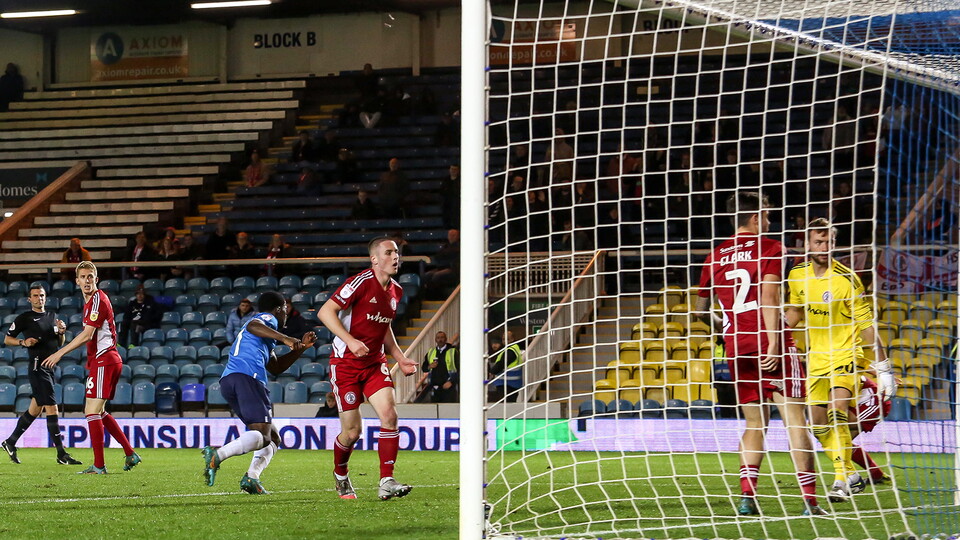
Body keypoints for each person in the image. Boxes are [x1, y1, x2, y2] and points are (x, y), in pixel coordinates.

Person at [695, 191, 825, 516]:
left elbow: (699, 311)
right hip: (771, 343)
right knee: (795, 420)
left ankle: (746, 498)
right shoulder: (770, 247)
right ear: (756, 217)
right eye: (766, 215)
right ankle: (810, 501)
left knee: (755, 424)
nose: (768, 221)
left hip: (736, 346)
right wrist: (773, 344)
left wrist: (726, 329)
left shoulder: (714, 255)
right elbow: (769, 296)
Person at [785, 217, 896, 502]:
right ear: (807, 244)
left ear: (835, 244)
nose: (823, 247)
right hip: (817, 358)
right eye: (818, 242)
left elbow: (867, 326)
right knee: (818, 426)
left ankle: (839, 482)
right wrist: (773, 326)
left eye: (828, 242)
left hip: (846, 354)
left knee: (837, 413)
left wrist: (884, 369)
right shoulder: (797, 275)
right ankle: (850, 473)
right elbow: (796, 312)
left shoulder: (847, 279)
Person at [318, 237, 418, 500]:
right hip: (346, 365)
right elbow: (325, 312)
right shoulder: (360, 282)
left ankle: (386, 481)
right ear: (374, 259)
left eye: (397, 252)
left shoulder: (396, 291)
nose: (395, 257)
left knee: (390, 416)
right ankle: (340, 475)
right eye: (389, 252)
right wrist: (350, 341)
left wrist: (400, 357)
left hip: (375, 364)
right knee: (352, 433)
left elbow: (384, 328)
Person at [201, 291, 316, 495]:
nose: (286, 315)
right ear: (280, 309)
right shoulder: (266, 319)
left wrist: (300, 348)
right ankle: (218, 454)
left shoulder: (264, 339)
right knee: (263, 437)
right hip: (248, 376)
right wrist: (287, 339)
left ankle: (251, 478)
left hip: (231, 380)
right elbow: (254, 325)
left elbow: (276, 367)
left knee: (272, 437)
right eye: (285, 310)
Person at [41, 261, 141, 475]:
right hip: (103, 360)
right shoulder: (91, 302)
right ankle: (130, 453)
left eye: (90, 276)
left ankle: (99, 465)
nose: (87, 280)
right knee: (100, 411)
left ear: (96, 279)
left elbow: (88, 335)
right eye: (83, 277)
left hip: (105, 359)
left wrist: (59, 352)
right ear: (76, 280)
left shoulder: (97, 300)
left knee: (91, 411)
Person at [1, 285, 81, 466]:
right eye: (35, 296)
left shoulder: (52, 317)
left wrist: (61, 333)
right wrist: (23, 341)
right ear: (30, 299)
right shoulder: (24, 318)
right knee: (52, 408)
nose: (39, 298)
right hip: (38, 367)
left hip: (49, 367)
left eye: (42, 295)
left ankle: (10, 442)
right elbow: (7, 339)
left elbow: (59, 343)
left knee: (34, 410)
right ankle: (61, 454)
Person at [422, 331, 459, 403]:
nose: (440, 340)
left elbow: (460, 369)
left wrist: (451, 381)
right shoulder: (431, 352)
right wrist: (429, 366)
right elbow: (424, 368)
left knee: (448, 411)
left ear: (445, 339)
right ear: (435, 340)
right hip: (435, 387)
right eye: (438, 338)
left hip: (449, 387)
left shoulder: (453, 351)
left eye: (442, 337)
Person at [440, 165, 460, 229]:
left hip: (457, 206)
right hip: (447, 206)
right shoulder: (445, 180)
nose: (453, 171)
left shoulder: (461, 180)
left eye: (455, 169)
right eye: (452, 169)